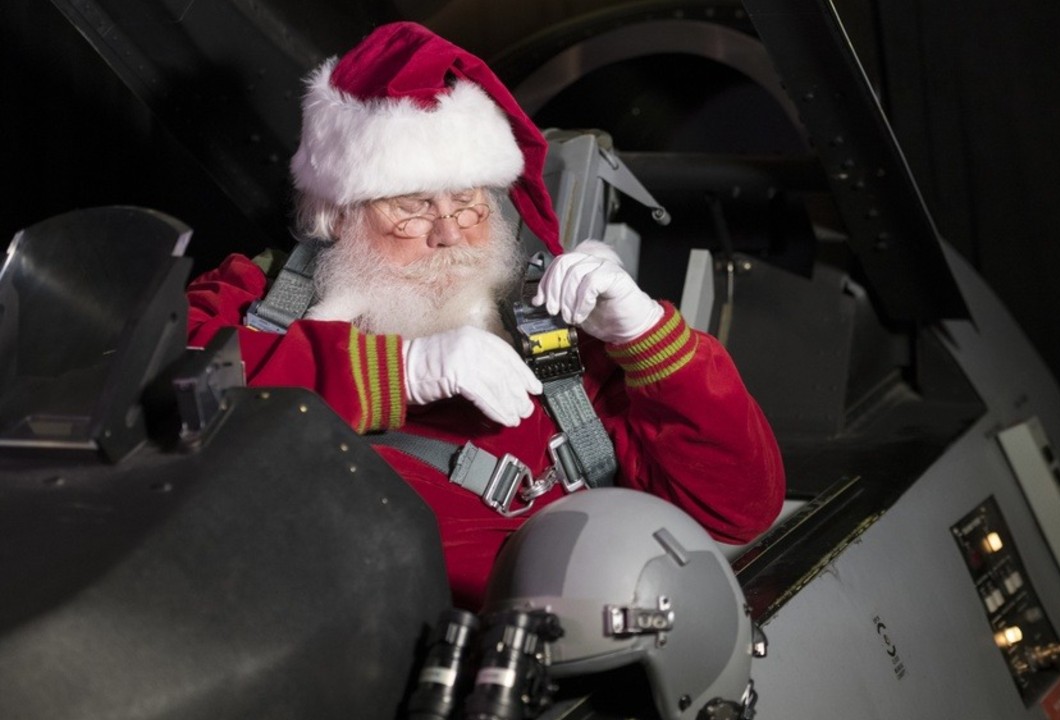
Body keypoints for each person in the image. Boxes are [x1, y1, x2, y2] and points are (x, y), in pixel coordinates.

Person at [186, 21, 786, 610]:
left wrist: (648, 338)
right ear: (339, 215)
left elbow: (738, 509)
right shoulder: (257, 298)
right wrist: (398, 372)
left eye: (468, 201)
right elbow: (156, 382)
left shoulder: (551, 325)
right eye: (411, 206)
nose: (449, 234)